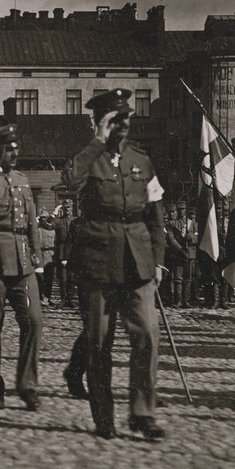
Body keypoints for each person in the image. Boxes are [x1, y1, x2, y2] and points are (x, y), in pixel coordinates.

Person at [62, 88, 167, 439]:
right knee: (99, 342)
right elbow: (69, 180)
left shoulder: (143, 161)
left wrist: (159, 263)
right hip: (97, 263)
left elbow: (156, 218)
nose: (123, 125)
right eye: (114, 120)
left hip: (138, 263)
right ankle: (103, 416)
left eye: (126, 119)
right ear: (100, 122)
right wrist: (97, 141)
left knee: (148, 336)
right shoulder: (88, 159)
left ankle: (142, 413)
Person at [0, 124, 45, 412]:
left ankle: (27, 385)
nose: (14, 152)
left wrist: (37, 256)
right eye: (8, 148)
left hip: (23, 261)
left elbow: (31, 221)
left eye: (16, 147)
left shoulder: (22, 179)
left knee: (34, 320)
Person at [34, 209, 56, 306]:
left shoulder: (52, 230)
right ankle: (40, 297)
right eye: (42, 218)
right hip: (39, 255)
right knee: (39, 278)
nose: (43, 220)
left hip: (49, 255)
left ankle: (48, 298)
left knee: (49, 278)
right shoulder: (36, 229)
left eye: (45, 217)